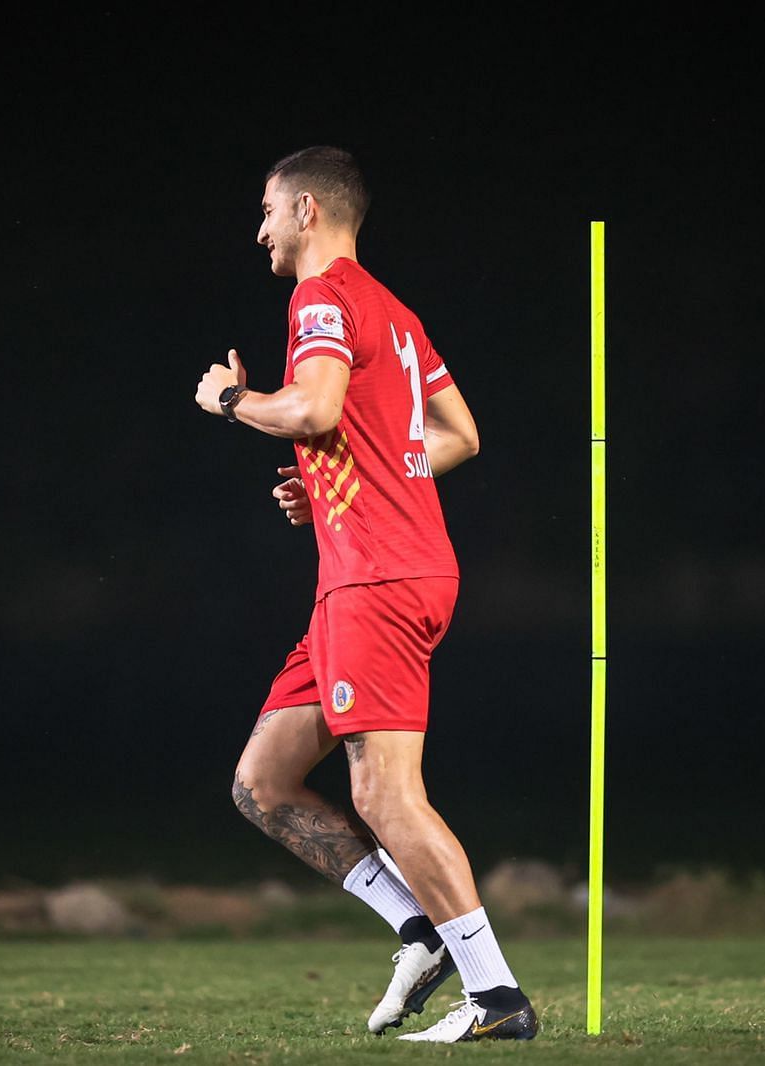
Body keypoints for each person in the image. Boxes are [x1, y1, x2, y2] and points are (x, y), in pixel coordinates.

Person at [192, 146, 539, 1043]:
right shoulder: (393, 310)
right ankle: (418, 934)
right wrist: (338, 482)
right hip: (369, 574)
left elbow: (310, 411)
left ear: (308, 210)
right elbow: (456, 434)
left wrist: (234, 399)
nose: (259, 227)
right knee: (263, 784)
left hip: (378, 579)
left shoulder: (322, 298)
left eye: (267, 209)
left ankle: (497, 999)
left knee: (386, 796)